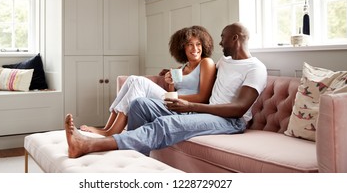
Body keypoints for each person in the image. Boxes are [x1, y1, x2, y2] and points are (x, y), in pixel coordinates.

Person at [65, 22, 267, 158]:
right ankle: (134, 158)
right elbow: (196, 73)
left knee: (165, 123)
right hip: (205, 111)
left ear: (235, 38)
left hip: (230, 121)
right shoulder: (224, 61)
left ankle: (88, 145)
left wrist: (192, 106)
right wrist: (173, 75)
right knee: (139, 104)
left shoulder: (255, 68)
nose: (220, 42)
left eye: (223, 38)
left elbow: (238, 109)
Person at [79, 25, 217, 136]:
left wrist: (174, 97)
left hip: (188, 108)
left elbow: (203, 97)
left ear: (204, 45)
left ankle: (111, 132)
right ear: (183, 47)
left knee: (139, 82)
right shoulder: (182, 68)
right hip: (174, 103)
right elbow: (172, 91)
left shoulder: (206, 63)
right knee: (133, 79)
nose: (195, 49)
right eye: (190, 44)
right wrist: (170, 84)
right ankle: (106, 128)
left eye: (198, 44)